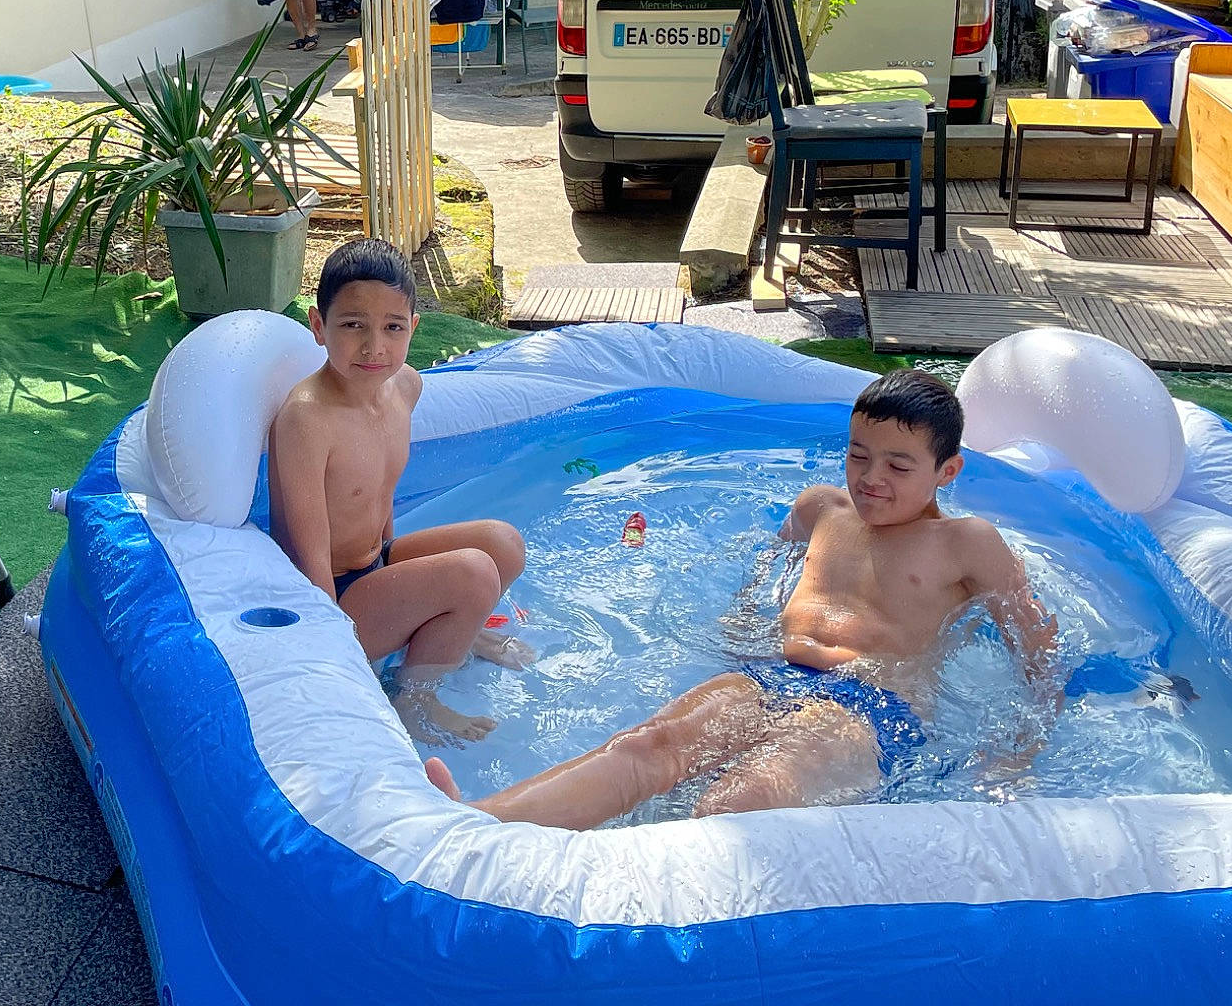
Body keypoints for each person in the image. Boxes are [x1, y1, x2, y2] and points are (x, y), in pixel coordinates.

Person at [426, 370, 1061, 826]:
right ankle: (480, 824)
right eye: (858, 455)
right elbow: (771, 564)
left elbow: (1036, 646)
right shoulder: (821, 509)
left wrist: (1018, 750)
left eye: (898, 467)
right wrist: (745, 610)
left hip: (874, 709)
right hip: (774, 678)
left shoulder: (965, 544)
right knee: (645, 749)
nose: (870, 479)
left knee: (735, 804)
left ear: (946, 471)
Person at [269, 238, 533, 744]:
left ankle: (455, 629)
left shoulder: (405, 387)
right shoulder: (308, 417)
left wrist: (401, 575)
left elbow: (378, 494)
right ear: (318, 326)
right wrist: (332, 650)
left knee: (503, 543)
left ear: (413, 328)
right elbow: (307, 552)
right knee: (474, 573)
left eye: (392, 327)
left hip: (375, 564)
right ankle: (413, 698)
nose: (374, 346)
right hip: (330, 594)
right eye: (352, 325)